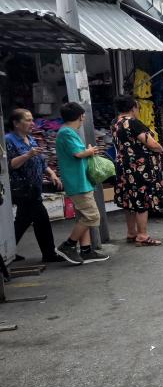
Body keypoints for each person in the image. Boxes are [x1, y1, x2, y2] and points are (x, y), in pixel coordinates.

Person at [54, 102, 109, 265]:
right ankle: (68, 245)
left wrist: (88, 152)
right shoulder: (66, 133)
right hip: (77, 181)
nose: (83, 118)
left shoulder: (67, 131)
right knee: (92, 216)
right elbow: (78, 154)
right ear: (80, 116)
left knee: (84, 216)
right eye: (83, 116)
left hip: (79, 180)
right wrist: (90, 151)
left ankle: (86, 250)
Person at [5, 108, 62, 263]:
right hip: (22, 188)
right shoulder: (9, 140)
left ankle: (7, 251)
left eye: (32, 120)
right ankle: (49, 253)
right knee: (41, 219)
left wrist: (52, 174)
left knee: (22, 221)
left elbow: (40, 161)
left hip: (34, 188)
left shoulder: (30, 138)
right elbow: (10, 165)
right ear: (16, 123)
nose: (32, 123)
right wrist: (27, 155)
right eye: (28, 120)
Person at [112, 96, 163, 246]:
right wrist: (160, 149)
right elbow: (151, 144)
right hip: (139, 168)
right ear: (133, 108)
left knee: (129, 199)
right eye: (138, 108)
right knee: (142, 199)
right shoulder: (133, 122)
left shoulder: (115, 123)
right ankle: (142, 235)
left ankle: (131, 233)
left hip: (124, 166)